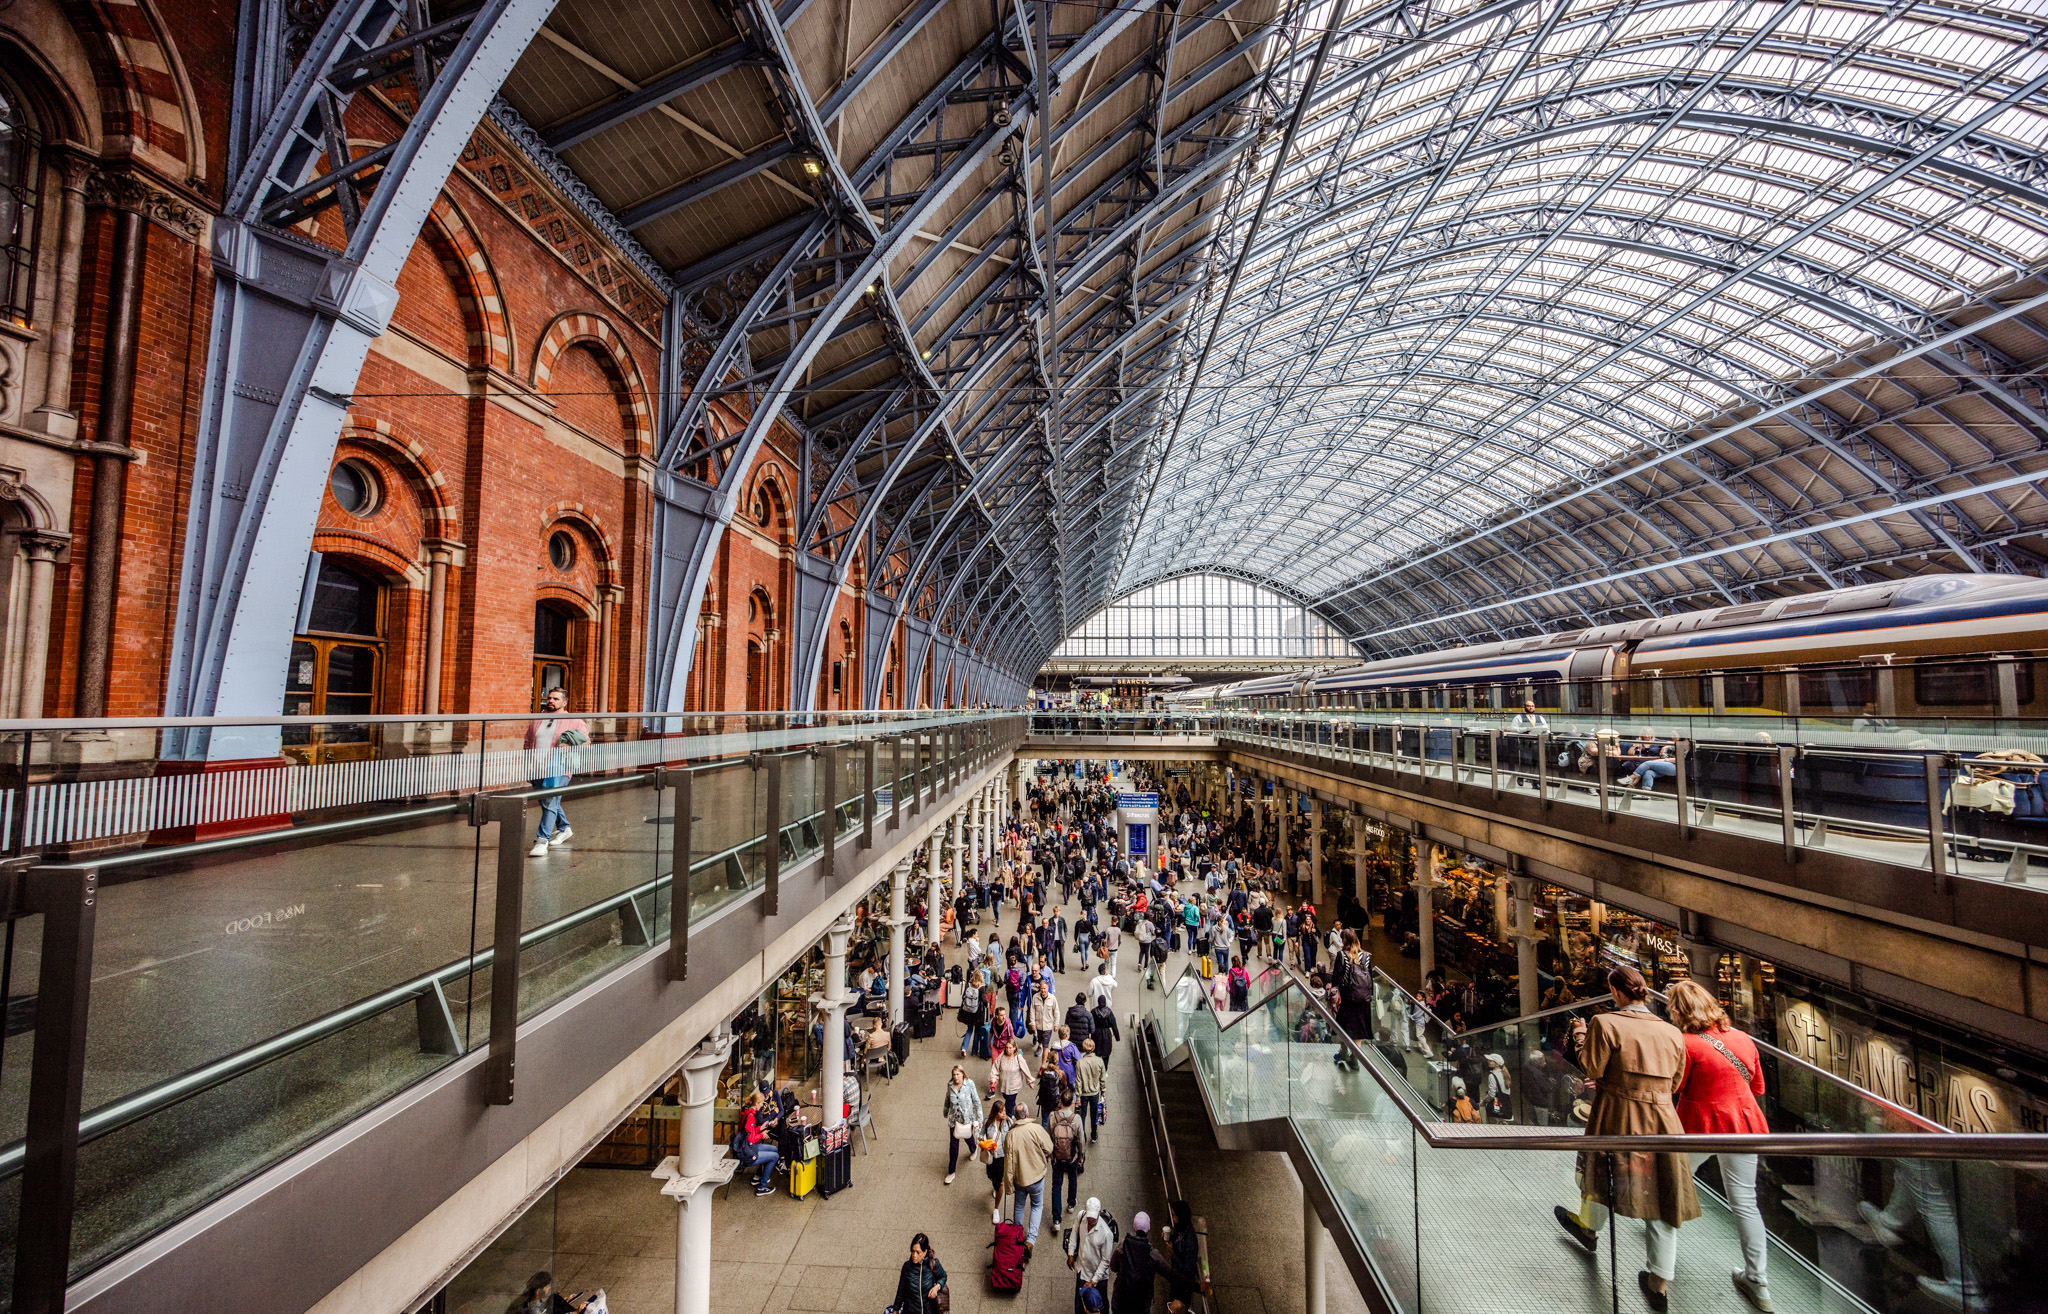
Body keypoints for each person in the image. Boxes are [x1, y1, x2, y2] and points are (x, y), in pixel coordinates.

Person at [1553, 966, 1699, 1313]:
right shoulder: (1671, 1032)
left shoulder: (1605, 1023)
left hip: (1617, 1112)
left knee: (1603, 1174)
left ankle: (1589, 1229)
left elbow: (1592, 1067)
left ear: (1616, 993)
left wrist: (1580, 1034)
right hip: (1663, 1119)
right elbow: (1676, 1081)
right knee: (1662, 1195)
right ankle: (1658, 1284)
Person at [1667, 978, 1772, 1312]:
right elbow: (1758, 1087)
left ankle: (1662, 1258)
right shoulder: (1742, 1038)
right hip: (1744, 1125)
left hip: (1699, 1126)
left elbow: (1676, 1086)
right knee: (1745, 1202)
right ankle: (1758, 1280)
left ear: (1678, 1012)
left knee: (1673, 1183)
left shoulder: (1685, 1043)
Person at [524, 686, 590, 858]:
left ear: (564, 703)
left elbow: (586, 742)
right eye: (549, 698)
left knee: (551, 800)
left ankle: (542, 840)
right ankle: (564, 828)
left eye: (555, 699)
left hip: (559, 767)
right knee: (546, 801)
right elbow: (528, 742)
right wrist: (527, 765)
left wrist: (569, 745)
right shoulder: (537, 719)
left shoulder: (574, 721)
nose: (551, 701)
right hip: (538, 767)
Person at [1002, 1110, 1056, 1251]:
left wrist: (1009, 1185)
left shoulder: (1010, 1135)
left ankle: (1018, 1235)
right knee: (1037, 1206)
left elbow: (1008, 1163)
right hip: (1037, 1177)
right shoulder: (1036, 1129)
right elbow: (1049, 1148)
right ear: (1026, 1115)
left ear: (1015, 1116)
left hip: (1020, 1178)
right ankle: (1031, 1240)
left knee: (1019, 1206)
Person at [1065, 1198, 1116, 1314]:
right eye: (1089, 1217)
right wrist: (1070, 1253)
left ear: (1099, 1213)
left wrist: (1093, 1281)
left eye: (1093, 1217)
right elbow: (1074, 1232)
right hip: (1082, 1271)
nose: (1091, 1220)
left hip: (1097, 1277)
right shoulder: (1081, 1216)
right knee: (1080, 1304)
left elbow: (1106, 1261)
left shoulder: (1106, 1234)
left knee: (1100, 1306)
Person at [1048, 1089, 1088, 1232]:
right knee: (1072, 1180)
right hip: (1072, 1157)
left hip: (1057, 1157)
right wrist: (1081, 1156)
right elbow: (1081, 1141)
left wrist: (1051, 1155)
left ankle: (1056, 1219)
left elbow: (1049, 1137)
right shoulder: (1076, 1119)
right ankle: (1071, 1203)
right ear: (1072, 1102)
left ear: (1060, 1101)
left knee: (1056, 1186)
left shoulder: (1052, 1116)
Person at [1110, 1212, 1160, 1314]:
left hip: (1121, 1298)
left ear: (1134, 1226)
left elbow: (1113, 1266)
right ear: (1149, 1229)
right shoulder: (1152, 1253)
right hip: (1142, 1302)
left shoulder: (1123, 1245)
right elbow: (1169, 1272)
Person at [888, 1234, 948, 1314]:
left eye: (918, 1252)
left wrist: (937, 1287)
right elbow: (901, 1290)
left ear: (925, 1251)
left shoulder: (934, 1264)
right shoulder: (907, 1267)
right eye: (913, 1251)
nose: (914, 1255)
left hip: (929, 1311)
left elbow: (943, 1276)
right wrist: (896, 1309)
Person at [943, 1064, 982, 1185]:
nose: (955, 1077)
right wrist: (945, 1111)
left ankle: (973, 1149)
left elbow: (976, 1101)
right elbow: (947, 1099)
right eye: (954, 1074)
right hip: (954, 1121)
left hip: (967, 1119)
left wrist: (980, 1118)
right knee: (953, 1146)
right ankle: (951, 1172)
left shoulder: (969, 1084)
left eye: (958, 1074)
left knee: (968, 1137)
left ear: (963, 1074)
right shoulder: (950, 1085)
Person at [738, 1089, 781, 1196]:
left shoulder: (748, 1113)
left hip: (748, 1147)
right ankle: (762, 1187)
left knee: (774, 1149)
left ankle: (758, 1176)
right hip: (748, 1153)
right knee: (775, 1156)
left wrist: (760, 1128)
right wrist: (761, 1135)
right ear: (756, 1103)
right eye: (761, 1103)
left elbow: (749, 1132)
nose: (762, 1105)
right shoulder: (750, 1117)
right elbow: (751, 1139)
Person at [989, 1036, 1031, 1119]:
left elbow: (1025, 1069)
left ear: (1014, 1048)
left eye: (1010, 1048)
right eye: (1007, 1047)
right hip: (1004, 1085)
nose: (1008, 1050)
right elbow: (996, 1066)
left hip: (1013, 1086)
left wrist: (1030, 1081)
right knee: (1009, 1100)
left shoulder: (1018, 1058)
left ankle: (1009, 1119)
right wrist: (993, 1077)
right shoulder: (1002, 1056)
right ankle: (1015, 1112)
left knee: (1008, 1104)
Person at [1075, 1038, 1107, 1141]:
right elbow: (1102, 1078)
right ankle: (1094, 1134)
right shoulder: (1099, 1061)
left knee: (1082, 1115)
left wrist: (1078, 1096)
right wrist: (1103, 1091)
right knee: (1094, 1115)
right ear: (1093, 1048)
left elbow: (1078, 1081)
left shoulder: (1080, 1062)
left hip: (1083, 1094)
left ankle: (1082, 1135)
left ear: (1084, 1049)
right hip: (1095, 1093)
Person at [518, 1271, 592, 1313]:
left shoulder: (535, 1301)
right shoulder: (534, 1311)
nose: (549, 1288)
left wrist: (565, 1302)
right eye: (547, 1287)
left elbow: (547, 1306)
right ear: (538, 1291)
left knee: (555, 1299)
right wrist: (575, 1312)